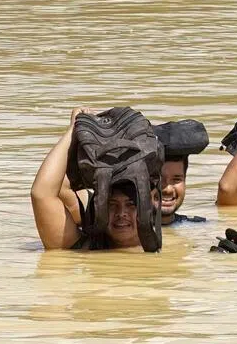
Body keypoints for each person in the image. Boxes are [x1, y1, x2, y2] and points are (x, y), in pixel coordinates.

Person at [31, 107, 153, 250]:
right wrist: (75, 132)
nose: (121, 213)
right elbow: (42, 193)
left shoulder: (168, 245)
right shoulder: (83, 248)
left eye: (131, 205)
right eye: (112, 205)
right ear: (99, 209)